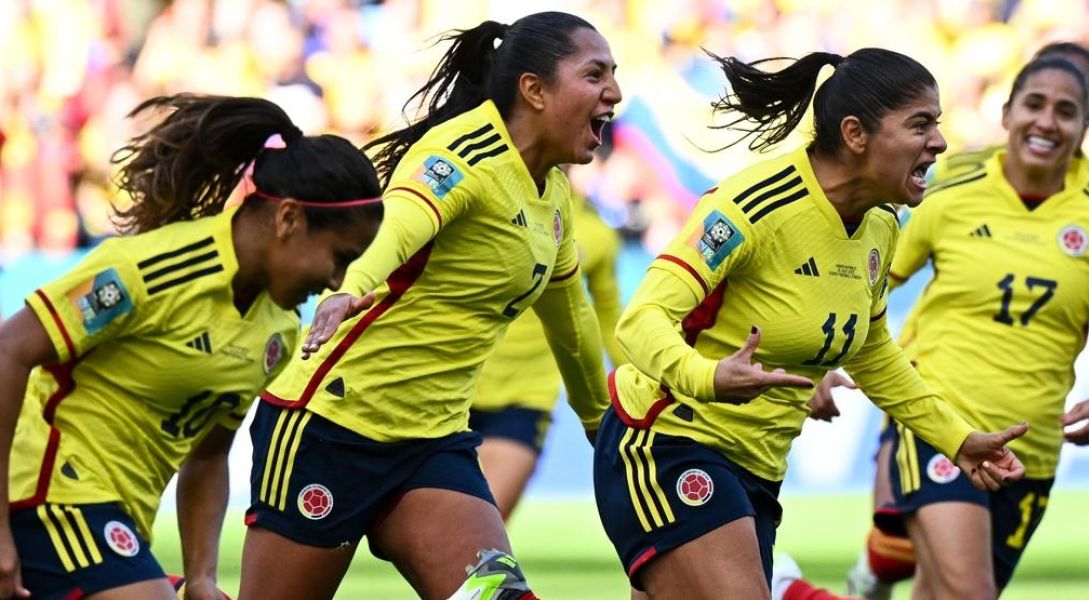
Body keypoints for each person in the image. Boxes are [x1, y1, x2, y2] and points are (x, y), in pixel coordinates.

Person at [591, 47, 1029, 600]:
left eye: (938, 124)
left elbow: (870, 349)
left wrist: (957, 440)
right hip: (667, 442)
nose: (939, 142)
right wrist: (708, 377)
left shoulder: (879, 224)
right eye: (920, 124)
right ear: (855, 133)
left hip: (758, 471)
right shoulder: (753, 206)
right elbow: (642, 320)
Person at [237, 12, 621, 600]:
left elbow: (572, 326)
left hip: (432, 445)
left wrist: (606, 429)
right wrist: (346, 289)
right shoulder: (464, 155)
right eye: (595, 75)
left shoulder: (555, 199)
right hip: (330, 425)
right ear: (535, 90)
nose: (614, 94)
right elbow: (394, 227)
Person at [835, 42, 1089, 600]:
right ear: (1006, 112)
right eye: (1034, 103)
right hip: (938, 417)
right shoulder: (951, 184)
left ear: (1088, 122)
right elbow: (871, 280)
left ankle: (813, 586)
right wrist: (819, 364)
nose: (1046, 121)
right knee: (968, 593)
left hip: (1028, 449)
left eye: (1066, 109)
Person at [0, 94, 383, 600]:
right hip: (49, 496)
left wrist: (201, 575)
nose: (337, 279)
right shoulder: (153, 270)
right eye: (339, 257)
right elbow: (9, 350)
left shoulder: (277, 332)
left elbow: (207, 456)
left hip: (121, 521)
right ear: (289, 219)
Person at [471, 187, 626, 521]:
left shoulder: (597, 234)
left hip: (526, 396)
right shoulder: (483, 196)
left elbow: (609, 317)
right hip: (454, 385)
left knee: (482, 533)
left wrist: (641, 386)